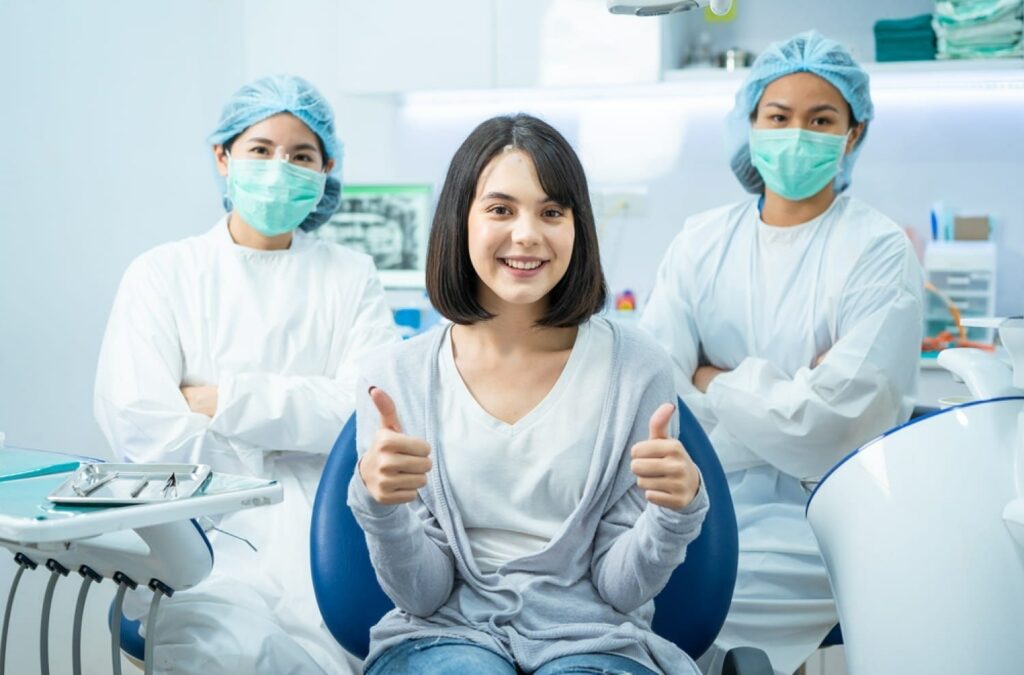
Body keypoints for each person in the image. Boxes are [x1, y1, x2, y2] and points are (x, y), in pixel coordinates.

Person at [347, 114, 709, 675]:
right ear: (458, 221)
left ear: (577, 227)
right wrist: (382, 507)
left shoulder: (637, 370)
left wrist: (674, 514)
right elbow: (423, 594)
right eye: (500, 209)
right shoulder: (395, 378)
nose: (526, 234)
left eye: (551, 212)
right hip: (443, 638)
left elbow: (619, 589)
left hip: (593, 641)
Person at [94, 74, 398, 674]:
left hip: (324, 534)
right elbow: (139, 419)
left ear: (326, 169)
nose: (279, 168)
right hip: (202, 528)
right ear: (223, 156)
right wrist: (280, 440)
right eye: (261, 149)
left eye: (300, 155)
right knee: (228, 650)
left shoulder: (350, 275)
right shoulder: (163, 274)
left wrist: (223, 399)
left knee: (335, 656)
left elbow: (363, 409)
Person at [640, 31, 924, 674]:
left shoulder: (878, 251)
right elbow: (657, 389)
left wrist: (711, 378)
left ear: (853, 134)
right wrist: (786, 392)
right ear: (751, 125)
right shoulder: (700, 242)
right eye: (778, 117)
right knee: (625, 590)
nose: (797, 134)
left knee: (715, 605)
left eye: (821, 119)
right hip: (698, 495)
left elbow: (834, 425)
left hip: (821, 514)